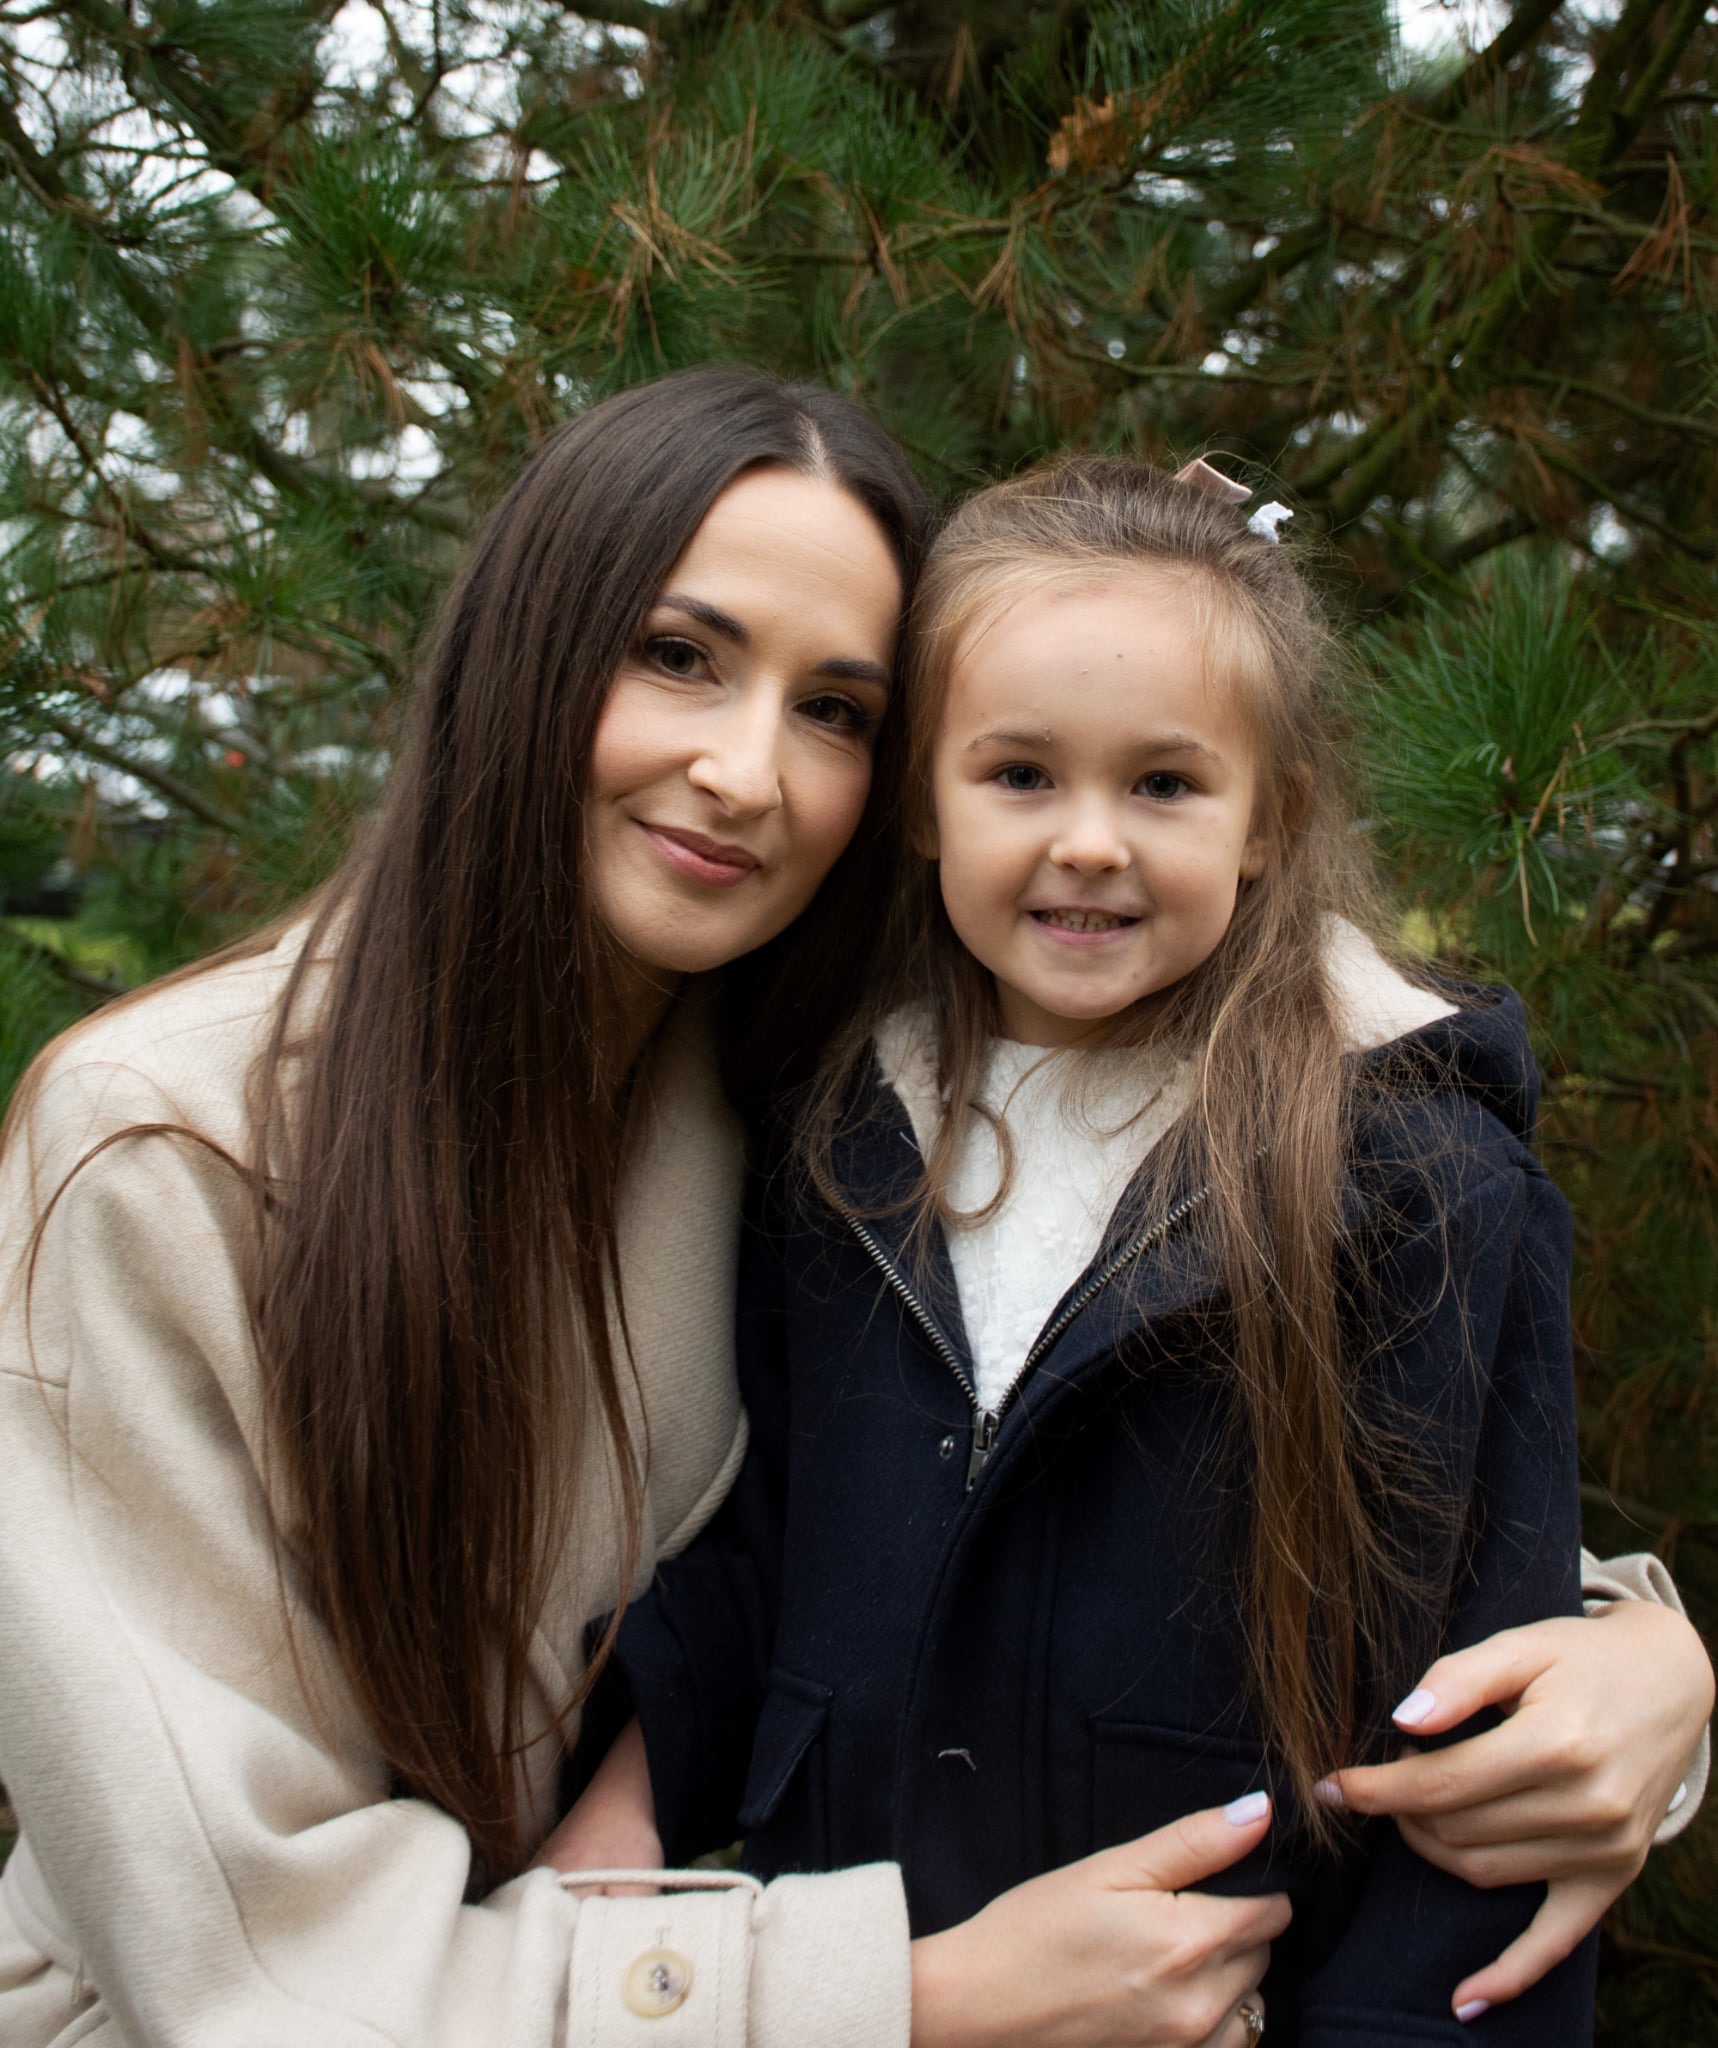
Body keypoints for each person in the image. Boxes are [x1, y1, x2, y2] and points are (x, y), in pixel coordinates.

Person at [0, 375, 1706, 2048]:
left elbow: (1179, 1450)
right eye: (676, 654)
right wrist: (895, 1998)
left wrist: (1637, 1665)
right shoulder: (165, 1156)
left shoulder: (787, 1077)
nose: (748, 774)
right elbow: (235, 1972)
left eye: (833, 709)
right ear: (525, 642)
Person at [548, 454, 1711, 2044]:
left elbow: (1472, 1711)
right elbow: (766, 1552)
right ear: (921, 810)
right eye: (1018, 775)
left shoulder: (1419, 1187)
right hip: (881, 1987)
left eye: (1161, 785)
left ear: (1265, 819)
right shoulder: (836, 1140)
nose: (1088, 842)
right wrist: (624, 1807)